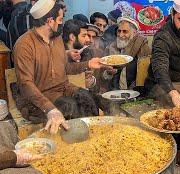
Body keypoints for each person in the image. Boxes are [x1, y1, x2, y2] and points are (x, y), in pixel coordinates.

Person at [13, 0, 112, 134]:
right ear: (49, 21)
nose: (62, 23)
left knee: (89, 98)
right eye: (60, 19)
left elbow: (66, 69)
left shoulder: (57, 39)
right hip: (37, 99)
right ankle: (74, 148)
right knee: (70, 106)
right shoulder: (24, 45)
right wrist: (50, 109)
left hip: (63, 89)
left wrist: (88, 64)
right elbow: (26, 85)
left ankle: (91, 141)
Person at [105, 16, 150, 90]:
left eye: (125, 31)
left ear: (134, 33)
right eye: (119, 31)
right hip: (114, 90)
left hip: (135, 91)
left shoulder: (141, 46)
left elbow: (144, 72)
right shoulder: (111, 47)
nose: (120, 35)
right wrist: (108, 72)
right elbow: (103, 75)